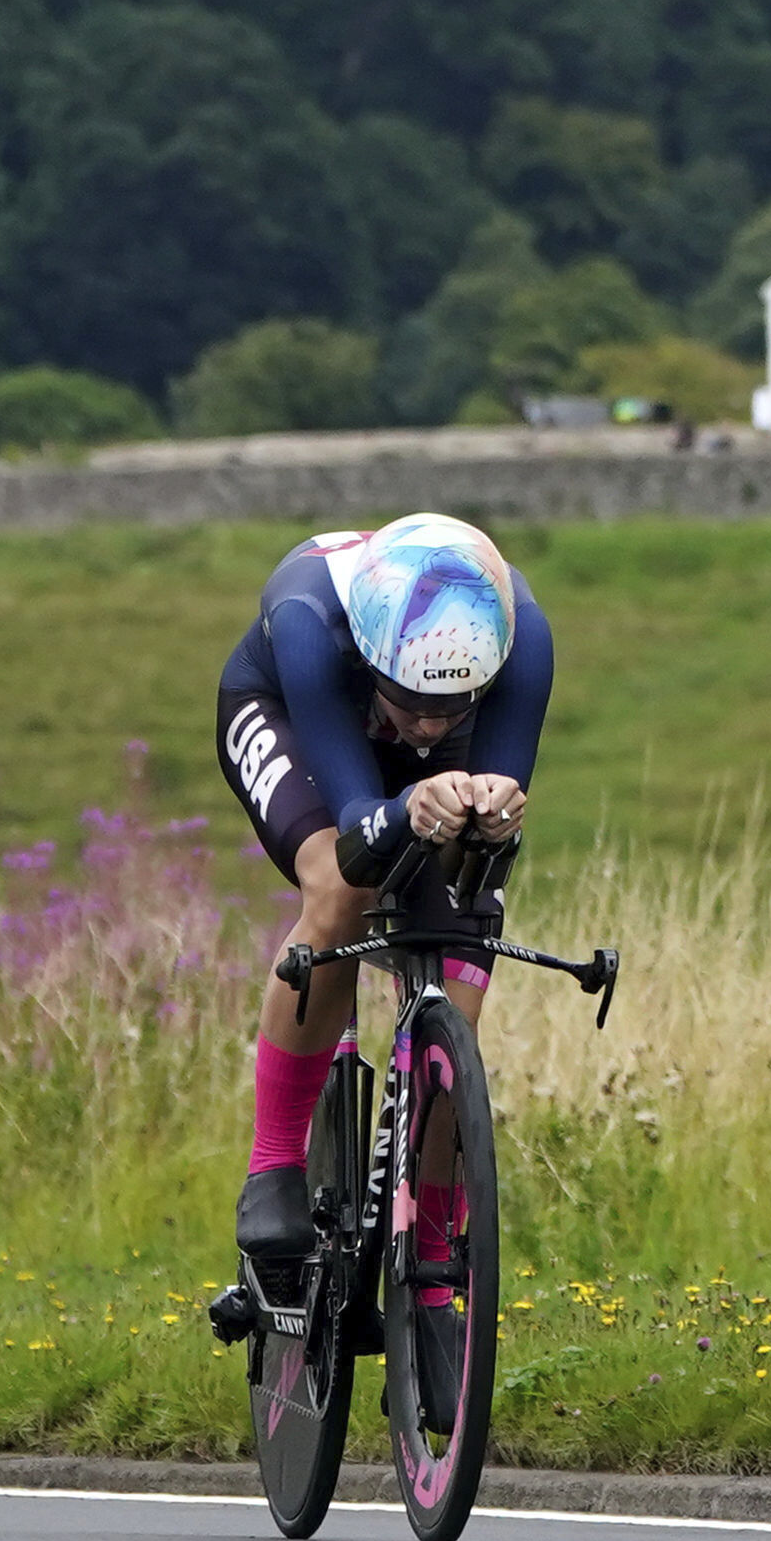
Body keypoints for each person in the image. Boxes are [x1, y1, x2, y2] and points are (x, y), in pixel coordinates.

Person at [214, 512, 554, 1274]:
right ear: (375, 664)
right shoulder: (308, 621)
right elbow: (360, 826)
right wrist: (406, 807)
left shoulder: (522, 636)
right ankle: (273, 1164)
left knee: (463, 950)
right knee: (340, 885)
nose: (432, 725)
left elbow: (490, 817)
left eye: (455, 705)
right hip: (294, 714)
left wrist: (495, 810)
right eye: (414, 703)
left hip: (412, 710)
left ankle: (430, 1254)